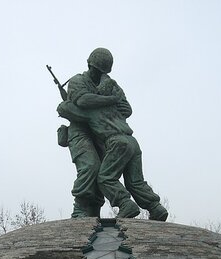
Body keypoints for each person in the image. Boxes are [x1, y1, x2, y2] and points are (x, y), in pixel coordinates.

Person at [58, 48, 168, 220]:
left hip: (111, 140)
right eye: (96, 69)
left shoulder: (109, 89)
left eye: (102, 71)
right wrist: (111, 102)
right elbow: (81, 101)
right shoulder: (78, 81)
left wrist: (105, 104)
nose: (99, 74)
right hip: (94, 134)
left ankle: (126, 204)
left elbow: (125, 108)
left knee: (105, 178)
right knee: (91, 168)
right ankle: (154, 207)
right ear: (89, 65)